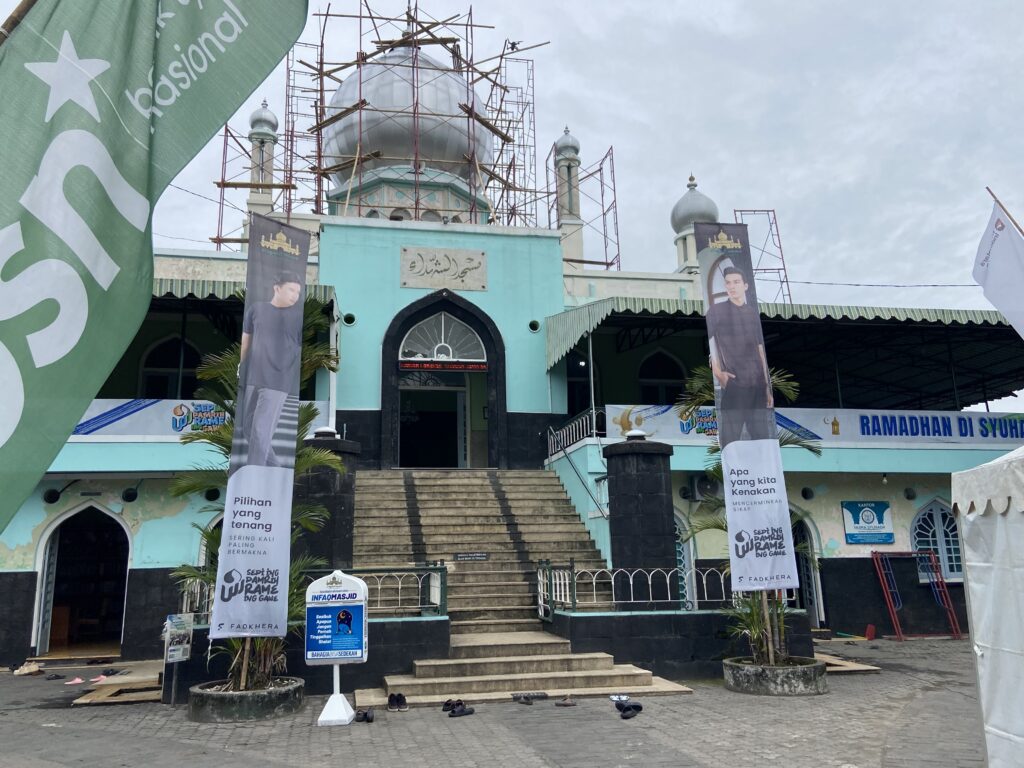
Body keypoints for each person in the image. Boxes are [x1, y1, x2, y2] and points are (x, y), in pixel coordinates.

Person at [237, 271, 304, 468]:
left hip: (277, 380)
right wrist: (241, 365)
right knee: (248, 428)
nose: (295, 295)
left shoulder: (298, 317)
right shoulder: (256, 309)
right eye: (291, 289)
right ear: (277, 288)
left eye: (298, 292)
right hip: (253, 376)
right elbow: (246, 341)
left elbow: (299, 348)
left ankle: (254, 475)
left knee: (260, 431)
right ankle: (276, 468)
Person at [706, 265, 775, 447]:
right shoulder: (716, 311)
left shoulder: (752, 314)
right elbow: (710, 343)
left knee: (762, 440)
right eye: (728, 283)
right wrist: (719, 374)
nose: (732, 286)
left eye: (736, 282)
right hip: (735, 384)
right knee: (730, 441)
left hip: (757, 386)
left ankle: (761, 475)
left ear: (745, 286)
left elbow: (760, 351)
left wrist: (767, 386)